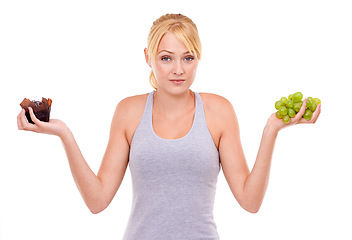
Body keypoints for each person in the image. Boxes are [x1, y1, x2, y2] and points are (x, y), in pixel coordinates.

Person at [17, 13, 321, 240]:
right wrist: (64, 134)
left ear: (198, 57)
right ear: (148, 58)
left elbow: (250, 201)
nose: (178, 69)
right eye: (166, 58)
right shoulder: (128, 111)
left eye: (188, 57)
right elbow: (97, 201)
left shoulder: (219, 110)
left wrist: (271, 130)